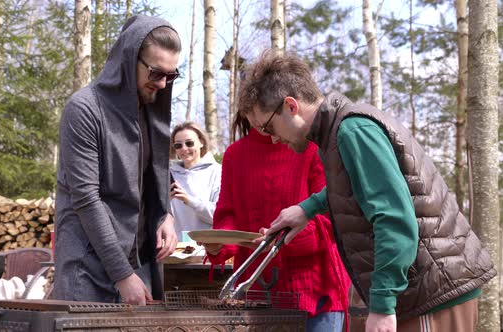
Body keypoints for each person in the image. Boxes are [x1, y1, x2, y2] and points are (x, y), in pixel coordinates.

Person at [238, 50, 496, 332]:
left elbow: (394, 219)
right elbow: (360, 185)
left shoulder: (352, 130)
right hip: (424, 288)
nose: (273, 138)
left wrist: (382, 305)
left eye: (268, 126)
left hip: (432, 291)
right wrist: (306, 209)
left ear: (290, 106)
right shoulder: (337, 131)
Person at [54, 15, 181, 305]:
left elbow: (155, 177)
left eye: (171, 75)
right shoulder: (84, 110)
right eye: (156, 73)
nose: (162, 84)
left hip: (138, 268)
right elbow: (86, 198)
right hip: (88, 273)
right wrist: (122, 274)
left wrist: (167, 215)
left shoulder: (150, 112)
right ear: (128, 59)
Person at [203, 113, 350, 332]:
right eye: (253, 109)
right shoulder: (234, 154)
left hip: (315, 290)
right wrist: (221, 241)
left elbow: (331, 221)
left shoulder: (312, 148)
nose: (259, 116)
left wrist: (281, 240)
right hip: (254, 293)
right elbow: (228, 213)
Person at [169, 122, 221, 241]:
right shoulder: (169, 174)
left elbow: (219, 215)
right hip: (175, 248)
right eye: (178, 145)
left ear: (201, 142)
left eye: (189, 143)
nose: (184, 149)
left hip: (207, 247)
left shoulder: (217, 172)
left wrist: (189, 200)